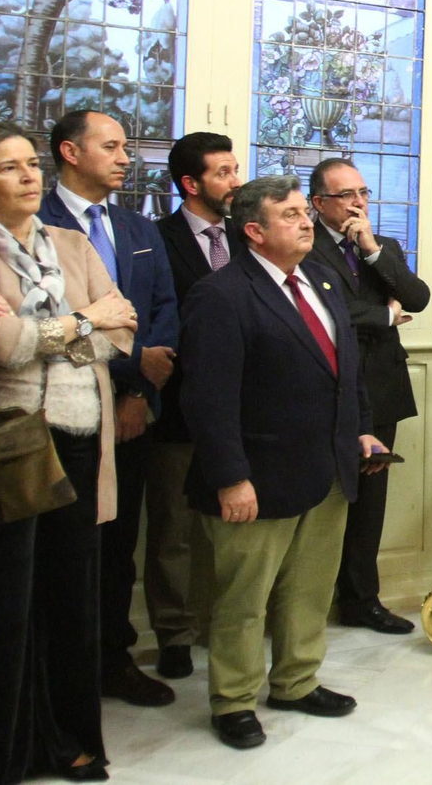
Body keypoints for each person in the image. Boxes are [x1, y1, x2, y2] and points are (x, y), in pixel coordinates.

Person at [179, 175, 390, 750]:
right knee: (244, 601)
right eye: (291, 214)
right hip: (257, 478)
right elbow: (206, 398)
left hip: (327, 470)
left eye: (304, 212)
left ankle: (296, 681)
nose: (305, 222)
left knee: (309, 590)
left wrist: (363, 432)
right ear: (254, 230)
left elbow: (346, 368)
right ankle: (234, 701)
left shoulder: (320, 277)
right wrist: (230, 477)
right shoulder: (221, 295)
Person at [0, 121, 137, 782]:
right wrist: (84, 320)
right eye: (9, 167)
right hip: (15, 443)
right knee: (11, 601)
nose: (28, 176)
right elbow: (6, 348)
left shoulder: (72, 243)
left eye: (30, 164)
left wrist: (51, 330)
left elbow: (124, 329)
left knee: (73, 593)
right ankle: (12, 749)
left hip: (81, 434)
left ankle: (74, 739)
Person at [39, 111, 178, 708]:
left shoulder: (135, 225)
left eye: (126, 147)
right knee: (61, 547)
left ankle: (112, 660)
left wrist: (138, 393)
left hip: (132, 413)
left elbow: (165, 308)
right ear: (70, 152)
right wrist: (134, 365)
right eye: (112, 146)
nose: (126, 157)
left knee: (120, 544)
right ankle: (53, 675)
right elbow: (52, 329)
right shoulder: (30, 225)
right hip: (57, 414)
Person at [306, 158, 430, 635]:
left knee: (371, 500)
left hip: (380, 389)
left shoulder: (382, 247)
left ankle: (362, 599)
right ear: (319, 204)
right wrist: (384, 315)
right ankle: (309, 602)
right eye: (345, 195)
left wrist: (374, 249)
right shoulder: (307, 245)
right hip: (327, 389)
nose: (358, 203)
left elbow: (416, 297)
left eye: (363, 193)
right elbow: (332, 311)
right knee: (326, 502)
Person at [151, 132, 244, 680]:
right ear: (192, 183)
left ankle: (227, 624)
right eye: (224, 173)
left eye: (236, 170)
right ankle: (174, 633)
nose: (236, 181)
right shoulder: (157, 238)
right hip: (182, 406)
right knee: (174, 529)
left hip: (244, 412)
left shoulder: (248, 236)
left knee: (235, 526)